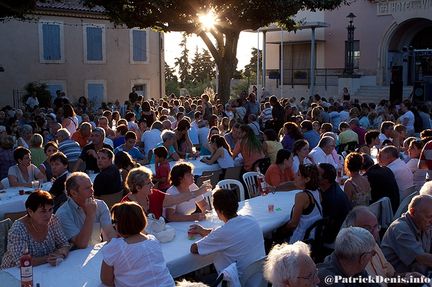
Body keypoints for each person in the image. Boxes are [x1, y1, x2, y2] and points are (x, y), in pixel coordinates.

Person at [189, 188, 265, 276]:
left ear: (219, 211)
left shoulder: (223, 232)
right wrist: (204, 231)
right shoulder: (251, 220)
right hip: (259, 277)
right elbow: (225, 235)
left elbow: (194, 248)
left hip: (238, 281)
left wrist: (204, 233)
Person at [100, 201, 174, 287]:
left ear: (119, 225)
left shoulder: (114, 247)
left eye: (115, 222)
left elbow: (106, 280)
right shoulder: (153, 240)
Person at [1, 190, 70, 268]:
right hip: (14, 272)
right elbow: (22, 261)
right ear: (30, 212)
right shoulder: (18, 230)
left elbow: (64, 244)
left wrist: (61, 254)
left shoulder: (53, 220)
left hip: (43, 268)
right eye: (43, 211)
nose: (48, 215)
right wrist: (49, 258)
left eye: (50, 210)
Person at [122, 166, 212, 219]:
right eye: (149, 183)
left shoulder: (155, 194)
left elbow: (175, 199)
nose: (152, 185)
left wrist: (197, 192)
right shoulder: (126, 205)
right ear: (138, 187)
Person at [56, 172, 117, 248]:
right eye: (87, 188)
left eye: (91, 186)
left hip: (97, 252)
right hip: (76, 256)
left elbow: (110, 233)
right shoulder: (63, 213)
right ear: (74, 193)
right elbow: (81, 244)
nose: (92, 191)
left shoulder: (100, 205)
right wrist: (90, 215)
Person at [381, 195, 432, 275]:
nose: (431, 221)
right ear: (412, 212)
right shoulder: (400, 228)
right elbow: (422, 258)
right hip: (396, 280)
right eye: (429, 217)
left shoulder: (423, 224)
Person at [281, 164, 322, 243]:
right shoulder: (318, 192)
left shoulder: (301, 196)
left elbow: (293, 224)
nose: (295, 176)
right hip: (314, 236)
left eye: (298, 175)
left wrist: (281, 231)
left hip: (301, 240)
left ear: (307, 179)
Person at [317, 163, 351, 245]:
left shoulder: (332, 199)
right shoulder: (332, 186)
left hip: (332, 238)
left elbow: (326, 226)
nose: (313, 175)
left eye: (317, 174)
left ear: (326, 180)